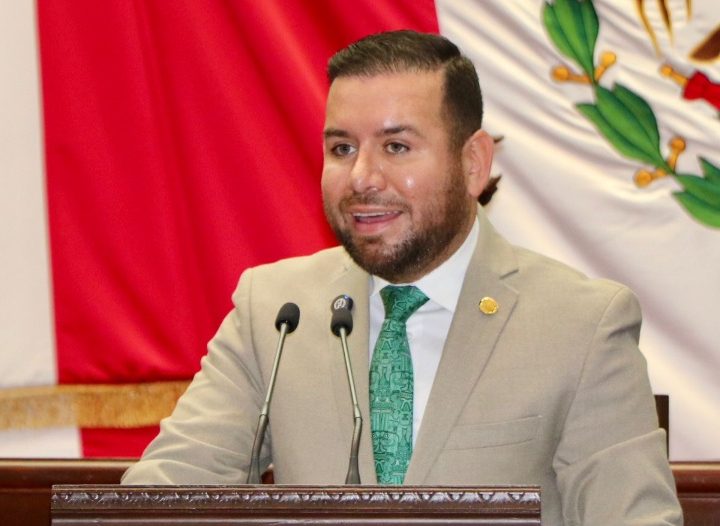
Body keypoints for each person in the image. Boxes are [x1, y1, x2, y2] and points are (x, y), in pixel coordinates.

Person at [122, 30, 682, 525]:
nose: (362, 176)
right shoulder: (276, 312)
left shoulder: (580, 324)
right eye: (342, 148)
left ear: (472, 163)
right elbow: (161, 499)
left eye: (396, 146)